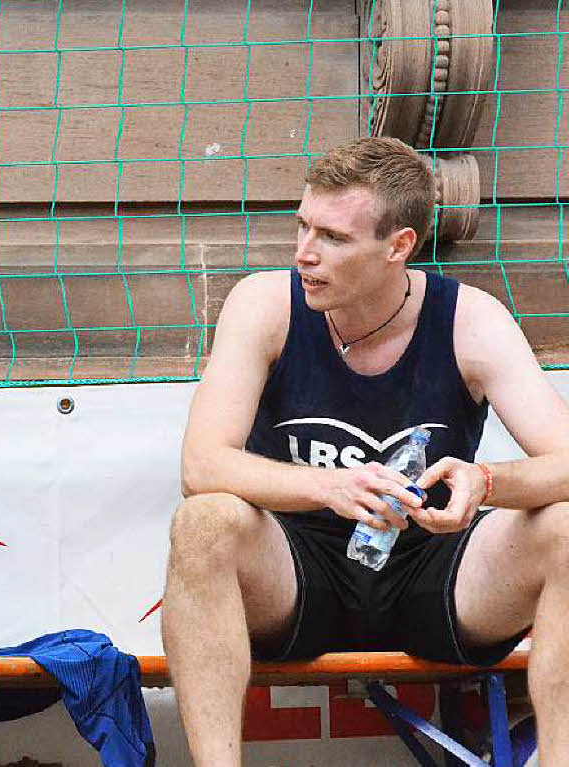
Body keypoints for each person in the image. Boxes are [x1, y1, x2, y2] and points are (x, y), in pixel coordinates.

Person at [162, 136, 569, 765]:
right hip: (299, 566)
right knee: (204, 521)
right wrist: (329, 486)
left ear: (398, 247)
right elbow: (201, 465)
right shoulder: (265, 302)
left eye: (333, 238)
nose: (304, 254)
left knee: (568, 527)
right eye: (301, 227)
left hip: (435, 566)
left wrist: (485, 482)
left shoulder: (471, 319)